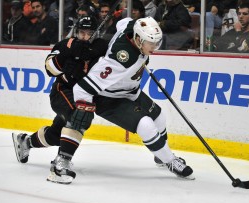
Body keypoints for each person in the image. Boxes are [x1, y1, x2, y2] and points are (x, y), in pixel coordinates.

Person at [39, 16, 194, 184]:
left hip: (131, 91)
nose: (155, 47)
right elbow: (82, 88)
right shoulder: (119, 62)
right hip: (111, 99)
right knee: (145, 125)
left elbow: (125, 21)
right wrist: (84, 107)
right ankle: (170, 161)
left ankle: (160, 156)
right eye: (151, 43)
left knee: (159, 117)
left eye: (156, 42)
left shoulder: (130, 28)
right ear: (138, 39)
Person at [12, 16, 109, 184]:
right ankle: (60, 165)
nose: (85, 37)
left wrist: (92, 52)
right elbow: (49, 67)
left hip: (83, 95)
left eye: (89, 33)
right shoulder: (67, 45)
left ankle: (25, 142)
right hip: (62, 92)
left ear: (96, 34)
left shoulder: (101, 47)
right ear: (76, 32)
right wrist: (66, 63)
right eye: (81, 33)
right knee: (80, 114)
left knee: (57, 135)